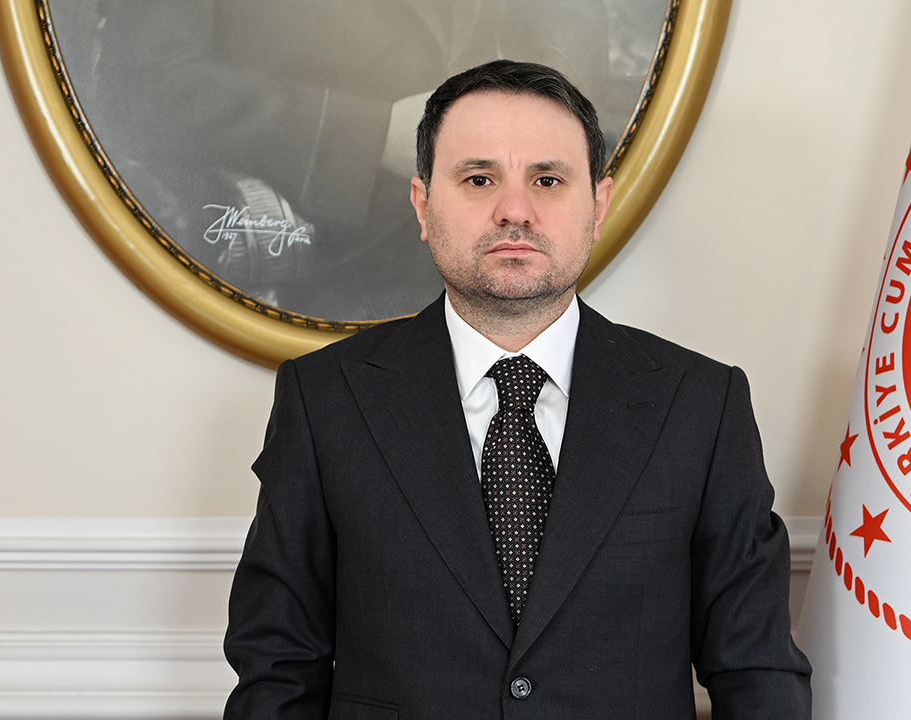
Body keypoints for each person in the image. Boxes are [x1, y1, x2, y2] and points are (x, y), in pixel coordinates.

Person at [223, 59, 811, 719]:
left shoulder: (701, 405)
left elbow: (757, 671)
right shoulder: (324, 400)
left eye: (547, 180)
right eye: (478, 179)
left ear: (598, 206)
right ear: (423, 205)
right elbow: (277, 668)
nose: (514, 211)